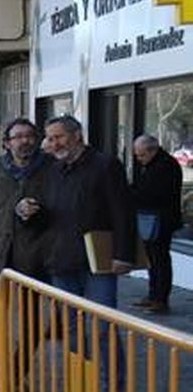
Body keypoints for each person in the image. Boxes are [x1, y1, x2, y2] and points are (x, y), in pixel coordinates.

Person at [0, 117, 51, 392]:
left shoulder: (50, 168)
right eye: (18, 137)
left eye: (29, 135)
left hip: (34, 255)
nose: (24, 141)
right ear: (7, 142)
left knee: (31, 323)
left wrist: (39, 211)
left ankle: (15, 374)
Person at [39, 114, 134, 308]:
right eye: (50, 139)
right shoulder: (54, 170)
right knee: (68, 325)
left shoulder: (105, 165)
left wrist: (123, 255)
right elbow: (49, 211)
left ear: (77, 136)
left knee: (102, 323)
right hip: (61, 258)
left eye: (59, 137)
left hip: (98, 259)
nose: (54, 144)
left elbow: (122, 212)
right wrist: (26, 212)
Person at [130, 133, 182, 314]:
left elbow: (152, 194)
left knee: (159, 260)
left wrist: (132, 195)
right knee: (152, 260)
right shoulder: (154, 165)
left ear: (153, 150)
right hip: (152, 219)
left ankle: (160, 299)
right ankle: (153, 295)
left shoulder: (165, 166)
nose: (139, 159)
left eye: (141, 155)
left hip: (161, 220)